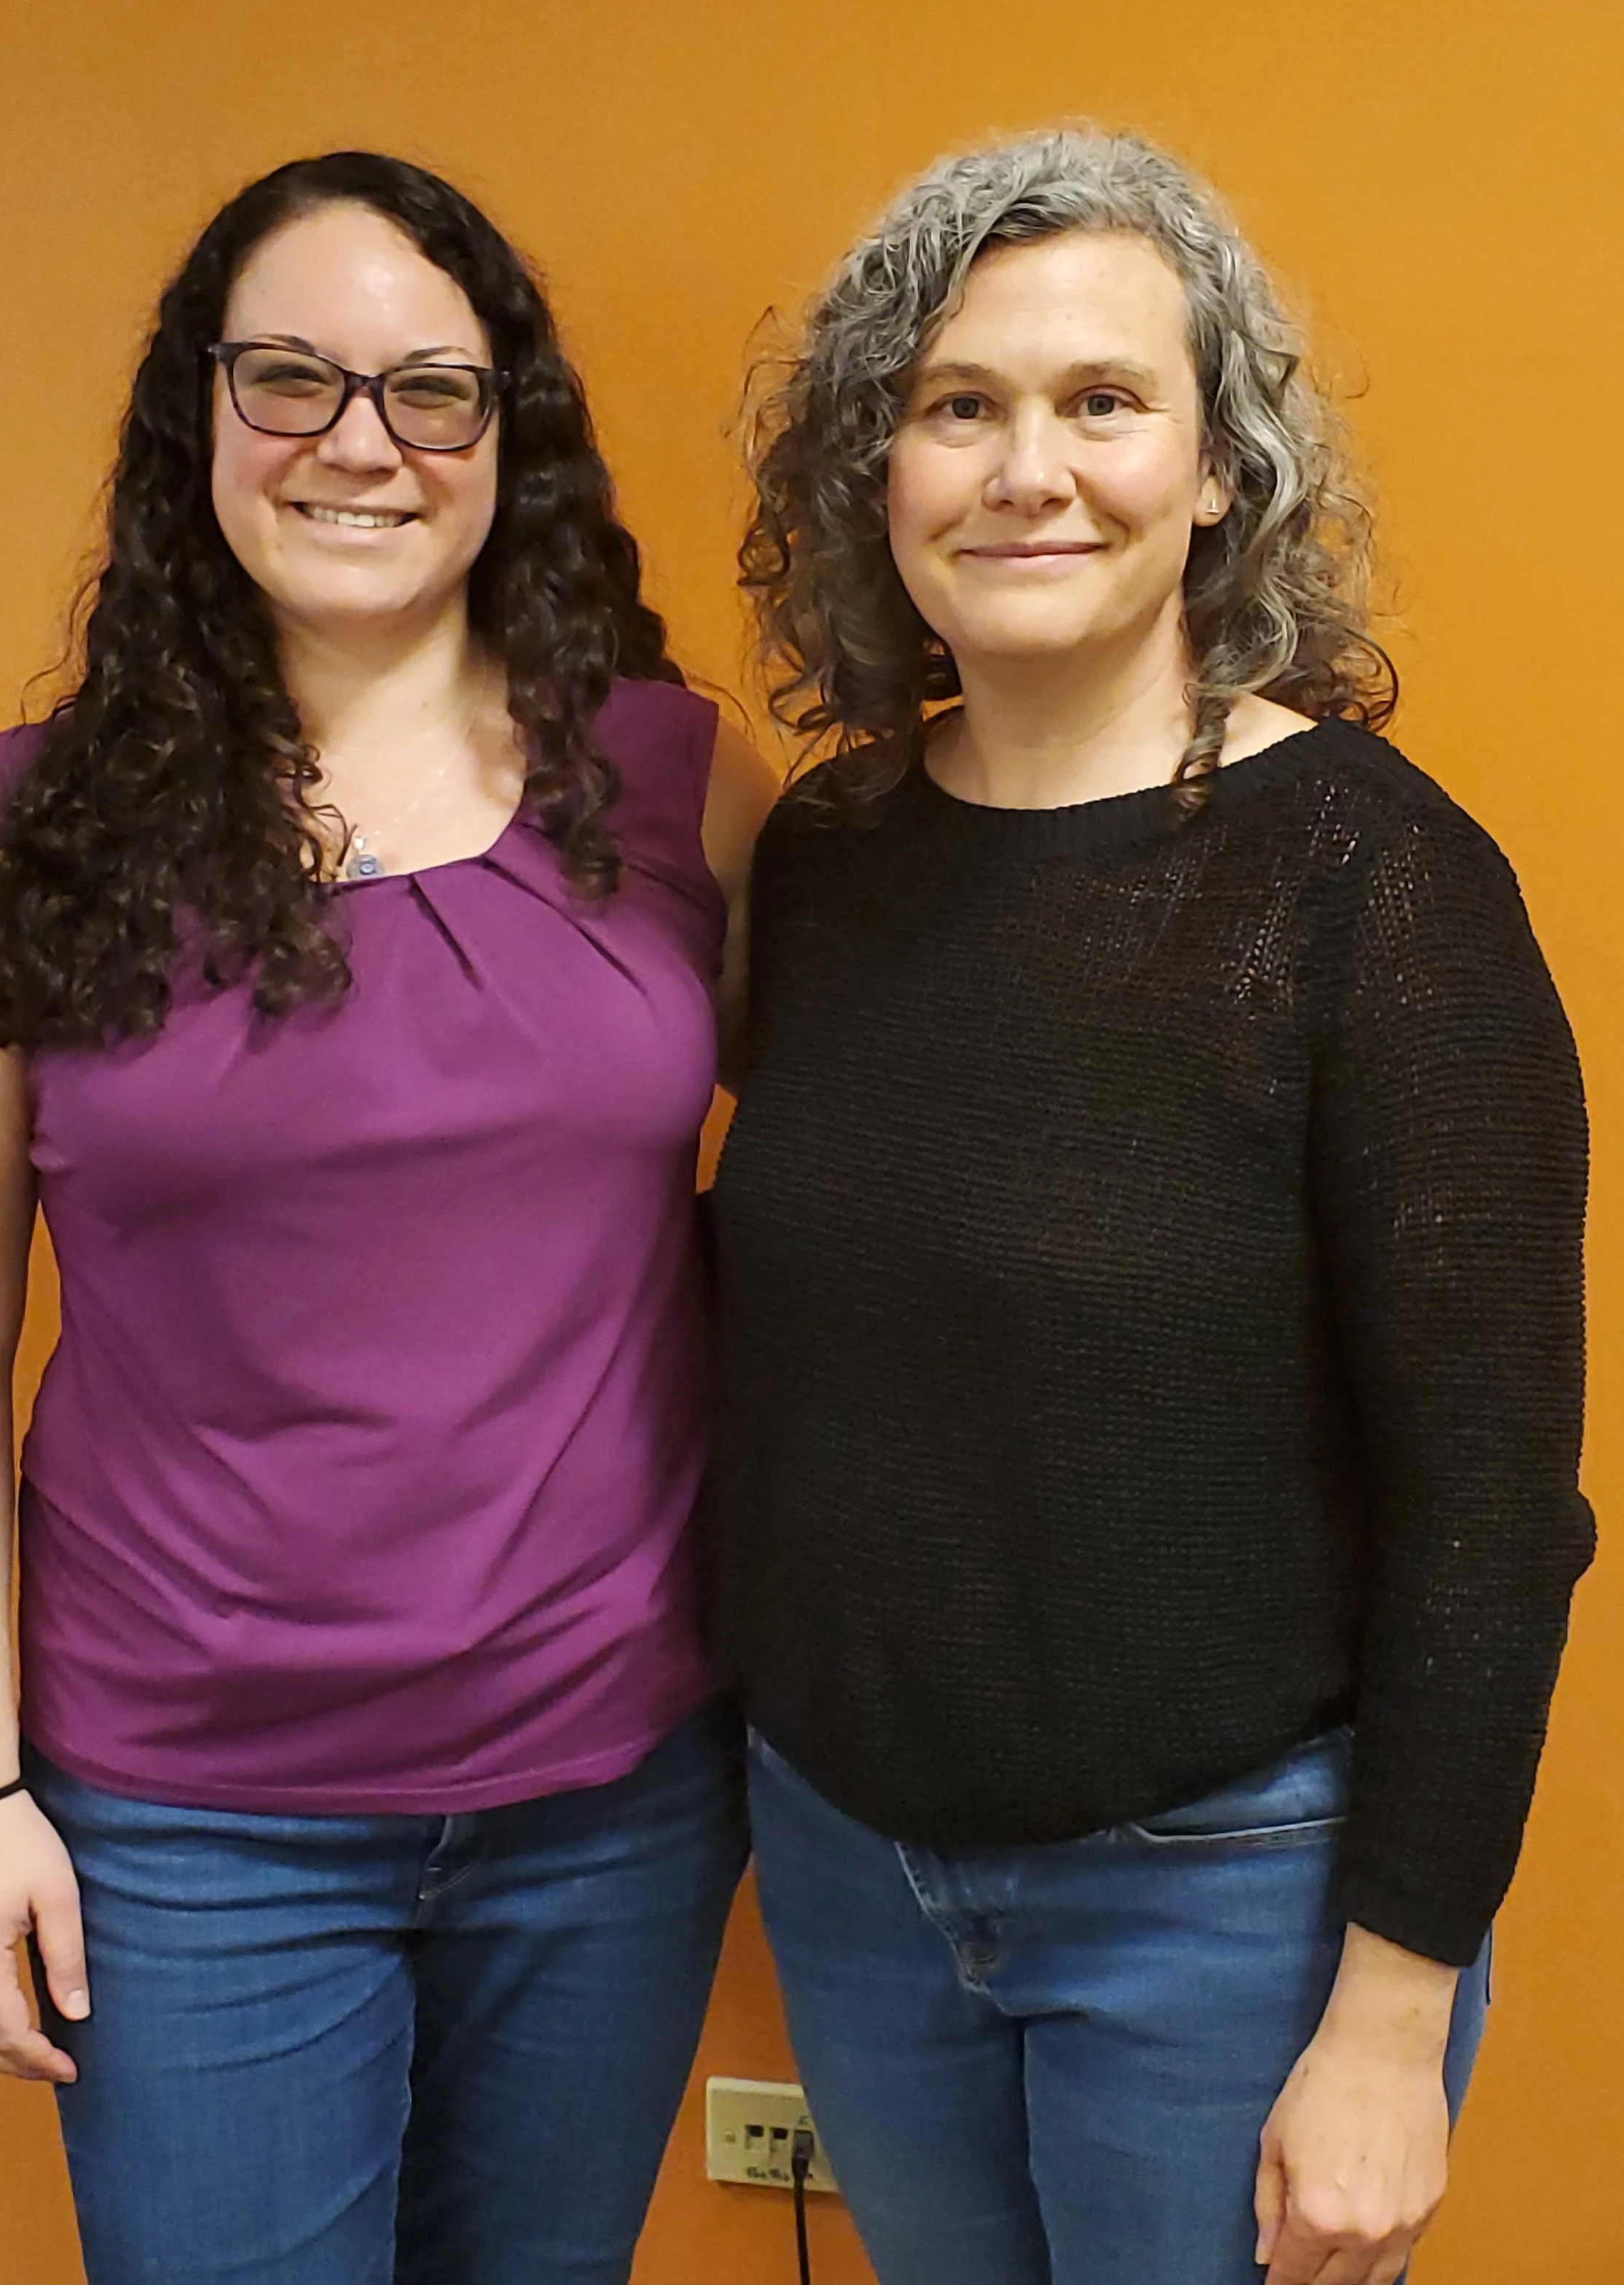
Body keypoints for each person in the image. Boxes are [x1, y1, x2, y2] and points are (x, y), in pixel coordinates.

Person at [0, 149, 775, 2285]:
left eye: (429, 390)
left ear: (502, 439)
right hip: (184, 1823)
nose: (359, 441)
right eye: (289, 377)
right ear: (197, 417)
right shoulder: (19, 831)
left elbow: (880, 1173)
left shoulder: (667, 779)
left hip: (612, 1792)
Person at [711, 127, 1593, 2285]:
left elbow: (1488, 1501)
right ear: (879, 475)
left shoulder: (1375, 886)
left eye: (1103, 402)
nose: (1030, 469)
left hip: (1226, 1897)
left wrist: (1391, 2013)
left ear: (1218, 471)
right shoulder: (821, 863)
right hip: (846, 1865)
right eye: (958, 406)